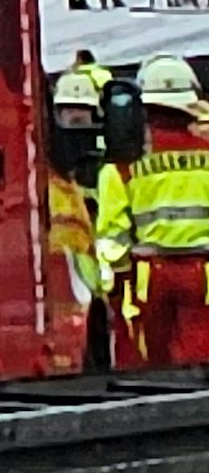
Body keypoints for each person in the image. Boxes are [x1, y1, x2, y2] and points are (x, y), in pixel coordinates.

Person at [94, 55, 209, 368]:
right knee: (201, 358)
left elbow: (112, 230)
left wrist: (116, 276)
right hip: (205, 272)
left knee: (148, 361)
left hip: (146, 273)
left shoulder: (122, 162)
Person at [47, 68, 112, 370]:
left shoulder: (108, 163)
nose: (75, 118)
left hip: (105, 283)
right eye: (68, 110)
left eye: (82, 110)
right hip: (66, 286)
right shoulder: (48, 167)